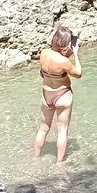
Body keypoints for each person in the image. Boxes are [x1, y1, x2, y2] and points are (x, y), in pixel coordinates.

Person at [33, 25, 82, 163]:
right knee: (62, 130)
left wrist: (67, 52)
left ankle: (36, 158)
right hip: (63, 95)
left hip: (46, 94)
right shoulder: (63, 61)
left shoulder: (43, 53)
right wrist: (76, 54)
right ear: (65, 43)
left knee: (43, 128)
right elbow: (78, 74)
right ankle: (60, 163)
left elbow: (48, 70)